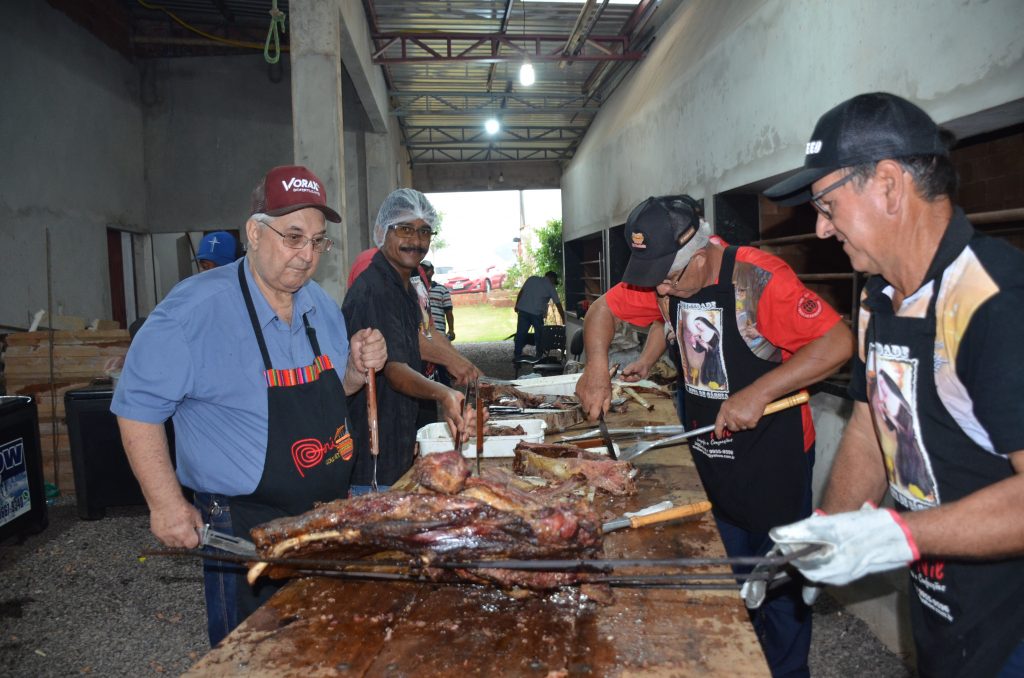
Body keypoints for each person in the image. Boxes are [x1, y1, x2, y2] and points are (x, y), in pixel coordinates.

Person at [762, 92, 1024, 677]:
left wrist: (894, 535)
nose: (822, 229)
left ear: (887, 184)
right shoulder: (877, 297)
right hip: (940, 610)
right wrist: (826, 534)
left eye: (827, 205)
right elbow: (869, 424)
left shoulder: (995, 303)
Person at [575, 194, 853, 677]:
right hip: (711, 452)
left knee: (780, 587)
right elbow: (603, 308)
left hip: (773, 459)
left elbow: (838, 341)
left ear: (700, 252)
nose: (660, 288)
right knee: (727, 581)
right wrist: (597, 365)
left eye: (669, 276)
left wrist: (761, 391)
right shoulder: (664, 278)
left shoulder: (757, 278)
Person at [112, 165, 387, 647]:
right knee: (253, 655)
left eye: (318, 242)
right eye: (293, 237)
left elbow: (332, 394)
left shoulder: (320, 305)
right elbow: (136, 406)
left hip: (323, 520)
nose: (307, 256)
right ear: (255, 232)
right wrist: (165, 503)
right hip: (242, 529)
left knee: (323, 645)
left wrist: (357, 369)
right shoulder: (193, 312)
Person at [342, 189, 478, 495]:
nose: (415, 241)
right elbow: (393, 370)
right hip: (373, 461)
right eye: (404, 229)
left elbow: (415, 343)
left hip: (397, 445)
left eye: (424, 231)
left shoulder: (403, 285)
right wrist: (444, 394)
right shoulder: (375, 289)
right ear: (381, 231)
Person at [348, 247, 480, 386]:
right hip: (389, 391)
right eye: (407, 228)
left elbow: (427, 329)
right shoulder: (370, 264)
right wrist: (450, 360)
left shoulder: (416, 269)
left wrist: (466, 367)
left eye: (425, 231)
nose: (418, 239)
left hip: (422, 384)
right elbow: (394, 337)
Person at [513, 271, 565, 361]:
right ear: (552, 278)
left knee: (520, 334)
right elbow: (558, 304)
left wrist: (517, 305)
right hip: (536, 314)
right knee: (539, 336)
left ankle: (517, 356)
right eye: (554, 282)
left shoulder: (532, 279)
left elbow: (521, 292)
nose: (554, 284)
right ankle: (538, 356)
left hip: (523, 310)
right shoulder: (550, 287)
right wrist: (564, 318)